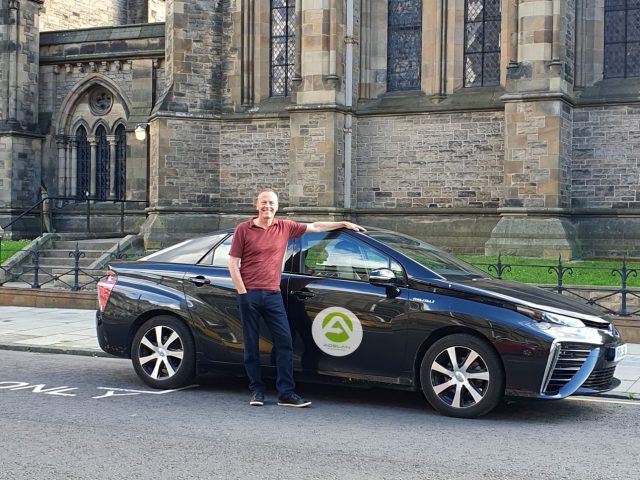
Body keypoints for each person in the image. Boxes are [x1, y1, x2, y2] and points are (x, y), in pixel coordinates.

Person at [228, 189, 365, 407]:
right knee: (251, 345)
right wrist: (242, 293)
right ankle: (257, 390)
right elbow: (233, 263)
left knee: (285, 342)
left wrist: (343, 223)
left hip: (273, 294)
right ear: (257, 205)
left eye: (271, 203)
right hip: (250, 294)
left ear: (277, 206)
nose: (268, 207)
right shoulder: (244, 229)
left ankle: (285, 393)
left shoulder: (284, 227)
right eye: (264, 202)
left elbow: (315, 227)